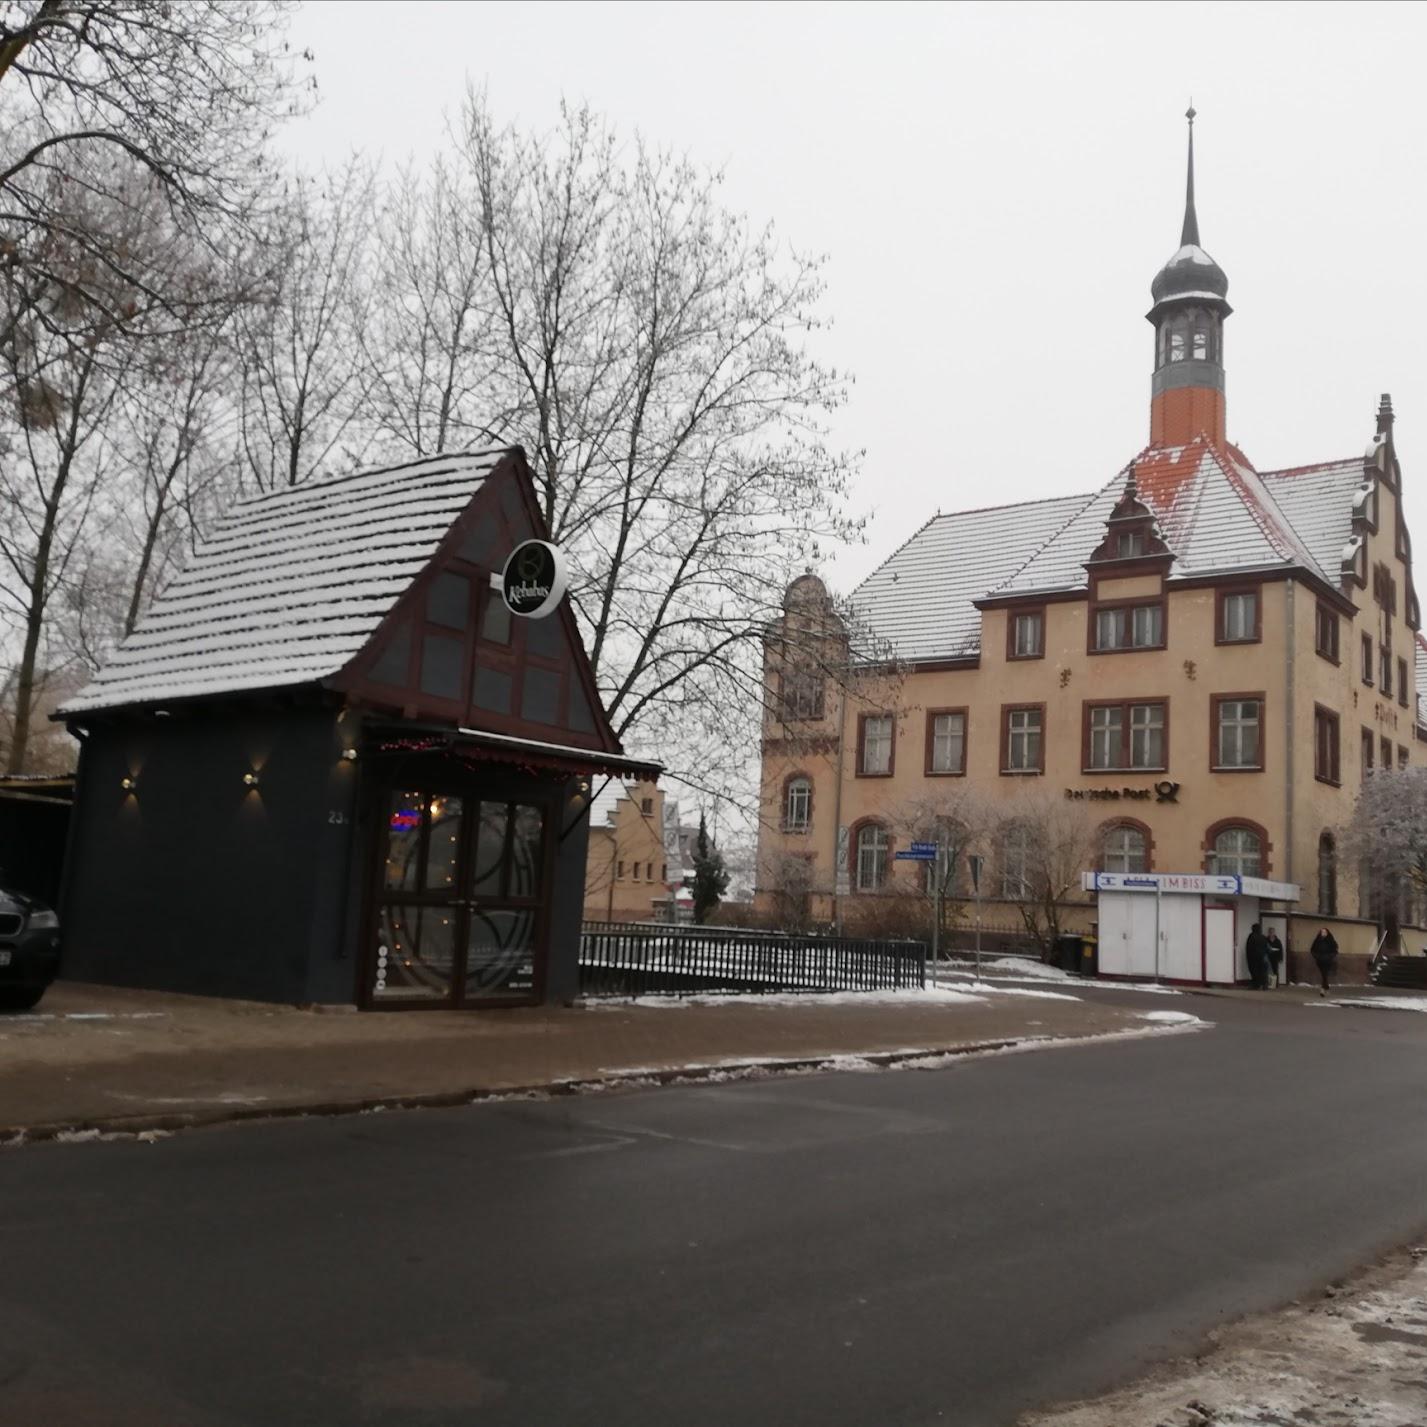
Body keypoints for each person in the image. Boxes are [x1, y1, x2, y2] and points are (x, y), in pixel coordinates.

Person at [1310, 926, 1339, 997]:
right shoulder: (1317, 940)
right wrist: (1316, 956)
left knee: (1324, 974)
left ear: (1327, 933)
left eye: (1325, 932)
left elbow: (1335, 950)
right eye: (1322, 932)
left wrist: (1330, 956)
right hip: (1319, 960)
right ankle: (1327, 987)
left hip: (1328, 961)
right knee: (1324, 974)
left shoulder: (1331, 940)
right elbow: (1312, 950)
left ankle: (1322, 990)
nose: (1323, 933)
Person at [1245, 922, 1270, 990]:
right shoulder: (1263, 937)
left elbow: (1248, 948)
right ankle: (1265, 985)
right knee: (1263, 971)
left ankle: (1256, 985)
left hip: (1253, 958)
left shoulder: (1251, 936)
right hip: (1263, 957)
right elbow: (1267, 948)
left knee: (1254, 971)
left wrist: (1248, 957)